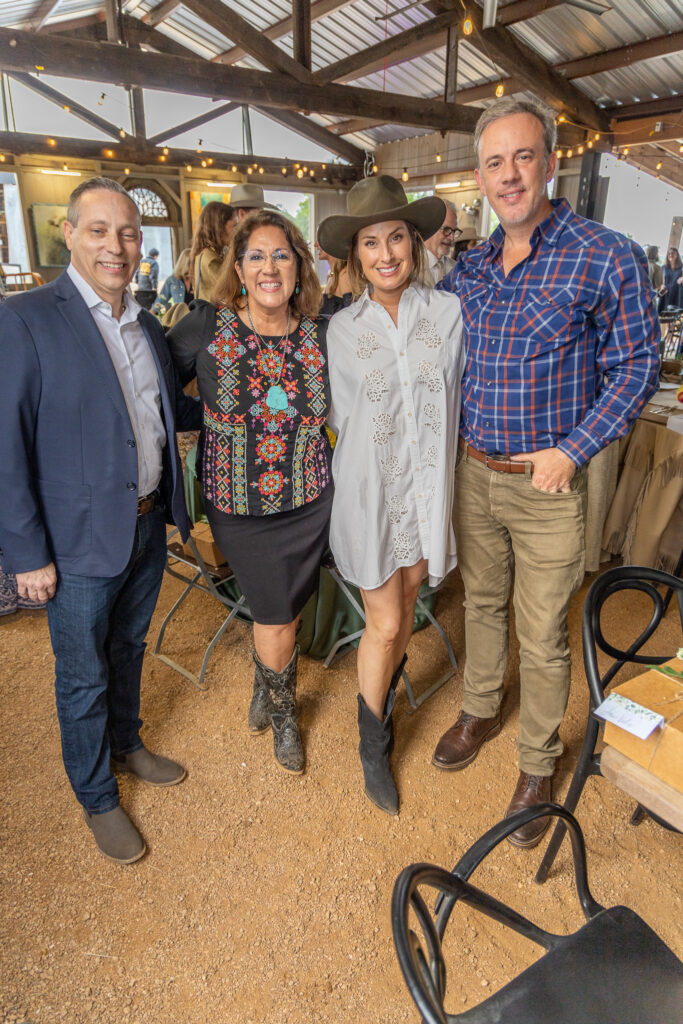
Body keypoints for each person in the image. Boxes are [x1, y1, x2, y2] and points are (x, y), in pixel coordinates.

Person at [434, 97, 660, 848]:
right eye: (494, 162)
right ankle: (477, 709)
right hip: (474, 472)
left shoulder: (605, 255)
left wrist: (573, 449)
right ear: (479, 174)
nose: (508, 175)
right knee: (483, 606)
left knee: (542, 630)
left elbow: (634, 368)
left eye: (522, 157)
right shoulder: (469, 268)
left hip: (546, 484)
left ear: (550, 162)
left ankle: (536, 761)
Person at [0, 177, 202, 865]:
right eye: (99, 231)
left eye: (126, 233)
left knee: (128, 648)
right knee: (81, 672)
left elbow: (168, 414)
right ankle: (95, 795)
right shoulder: (26, 319)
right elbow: (6, 446)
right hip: (75, 541)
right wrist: (27, 554)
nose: (116, 246)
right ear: (69, 233)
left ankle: (127, 743)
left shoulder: (145, 323)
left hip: (145, 524)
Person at [318, 176, 464, 815]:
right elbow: (337, 419)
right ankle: (372, 741)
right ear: (356, 255)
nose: (385, 254)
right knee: (383, 623)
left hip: (425, 492)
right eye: (370, 242)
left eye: (396, 237)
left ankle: (380, 705)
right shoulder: (341, 331)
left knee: (405, 608)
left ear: (415, 242)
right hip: (371, 495)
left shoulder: (451, 315)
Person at [167, 210, 332, 775]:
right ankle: (286, 715)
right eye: (256, 256)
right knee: (276, 614)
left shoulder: (319, 331)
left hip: (310, 499)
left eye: (281, 255)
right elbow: (159, 391)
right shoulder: (206, 329)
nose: (269, 266)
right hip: (241, 505)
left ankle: (267, 683)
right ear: (237, 268)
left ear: (298, 266)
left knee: (283, 611)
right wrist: (206, 416)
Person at [189, 201, 235, 301]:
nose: (235, 232)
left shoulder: (204, 253)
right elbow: (231, 291)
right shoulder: (210, 258)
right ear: (220, 227)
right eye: (233, 226)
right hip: (214, 315)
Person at [423, 199, 460, 284]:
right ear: (428, 228)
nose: (452, 238)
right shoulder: (409, 268)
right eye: (446, 230)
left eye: (454, 231)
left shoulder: (457, 269)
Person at [151, 247, 193, 317]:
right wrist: (151, 313)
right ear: (185, 264)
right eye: (192, 262)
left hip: (198, 319)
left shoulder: (200, 280)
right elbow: (162, 299)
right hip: (180, 319)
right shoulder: (172, 280)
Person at [658, 246, 683, 312]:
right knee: (664, 314)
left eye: (673, 253)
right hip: (666, 293)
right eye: (669, 253)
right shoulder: (663, 267)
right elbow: (659, 281)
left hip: (678, 294)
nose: (671, 255)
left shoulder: (681, 267)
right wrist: (661, 285)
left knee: (677, 315)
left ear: (677, 255)